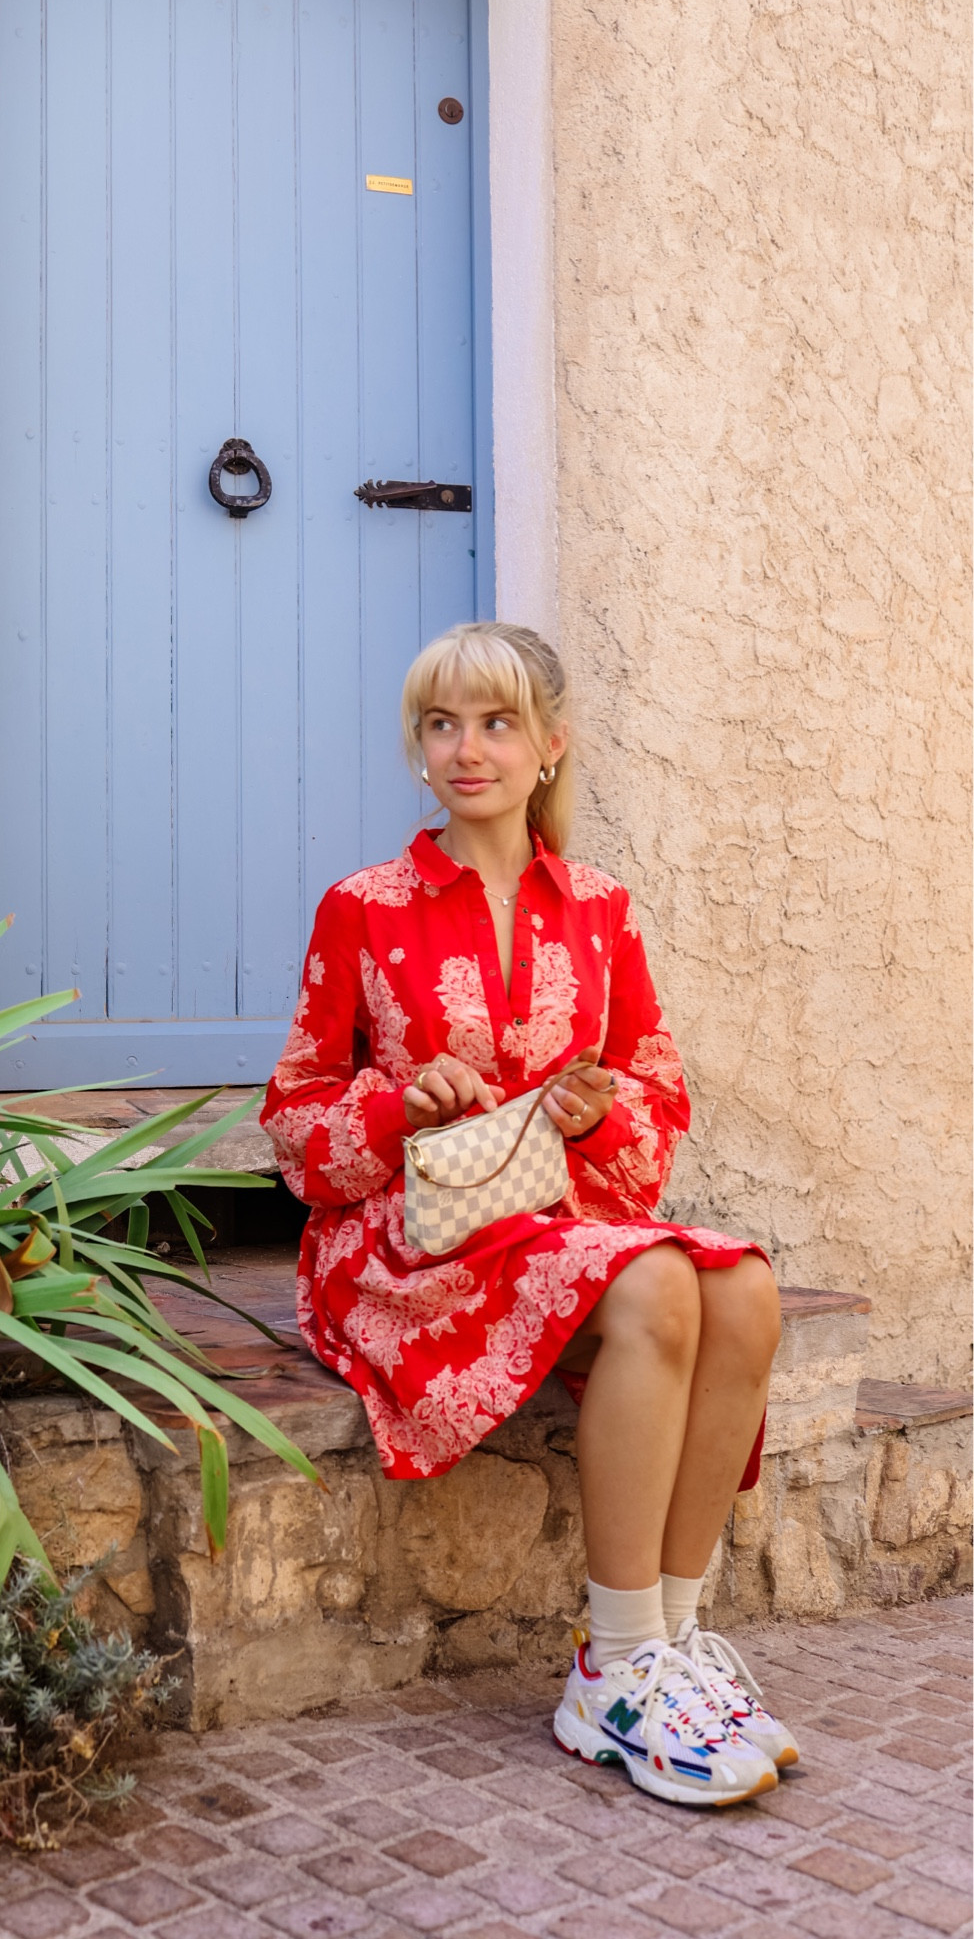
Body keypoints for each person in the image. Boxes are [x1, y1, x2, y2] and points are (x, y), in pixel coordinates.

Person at [261, 621, 792, 1808]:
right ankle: (611, 1665)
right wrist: (399, 1103)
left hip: (550, 1216)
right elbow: (293, 1123)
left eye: (497, 723)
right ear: (417, 745)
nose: (467, 749)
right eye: (441, 723)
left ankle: (674, 1644)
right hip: (409, 1242)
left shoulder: (601, 909)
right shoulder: (363, 905)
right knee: (656, 1280)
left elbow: (659, 1095)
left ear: (550, 745)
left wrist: (598, 1110)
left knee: (744, 1283)